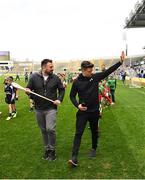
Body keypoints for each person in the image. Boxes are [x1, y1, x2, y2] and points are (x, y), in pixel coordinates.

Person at [68, 54, 125, 167]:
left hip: (94, 112)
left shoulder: (95, 77)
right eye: (89, 71)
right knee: (78, 133)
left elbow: (108, 71)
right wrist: (77, 105)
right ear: (83, 70)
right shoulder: (76, 82)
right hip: (82, 112)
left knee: (94, 131)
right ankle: (74, 157)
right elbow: (72, 96)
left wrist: (120, 62)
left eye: (92, 70)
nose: (91, 72)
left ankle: (94, 148)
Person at [26, 59, 65, 161]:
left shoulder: (55, 78)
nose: (53, 68)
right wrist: (28, 91)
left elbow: (62, 89)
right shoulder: (34, 77)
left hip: (51, 108)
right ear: (44, 67)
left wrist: (59, 99)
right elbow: (29, 89)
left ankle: (52, 150)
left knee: (50, 129)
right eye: (50, 67)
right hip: (38, 108)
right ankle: (47, 149)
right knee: (43, 130)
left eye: (52, 66)